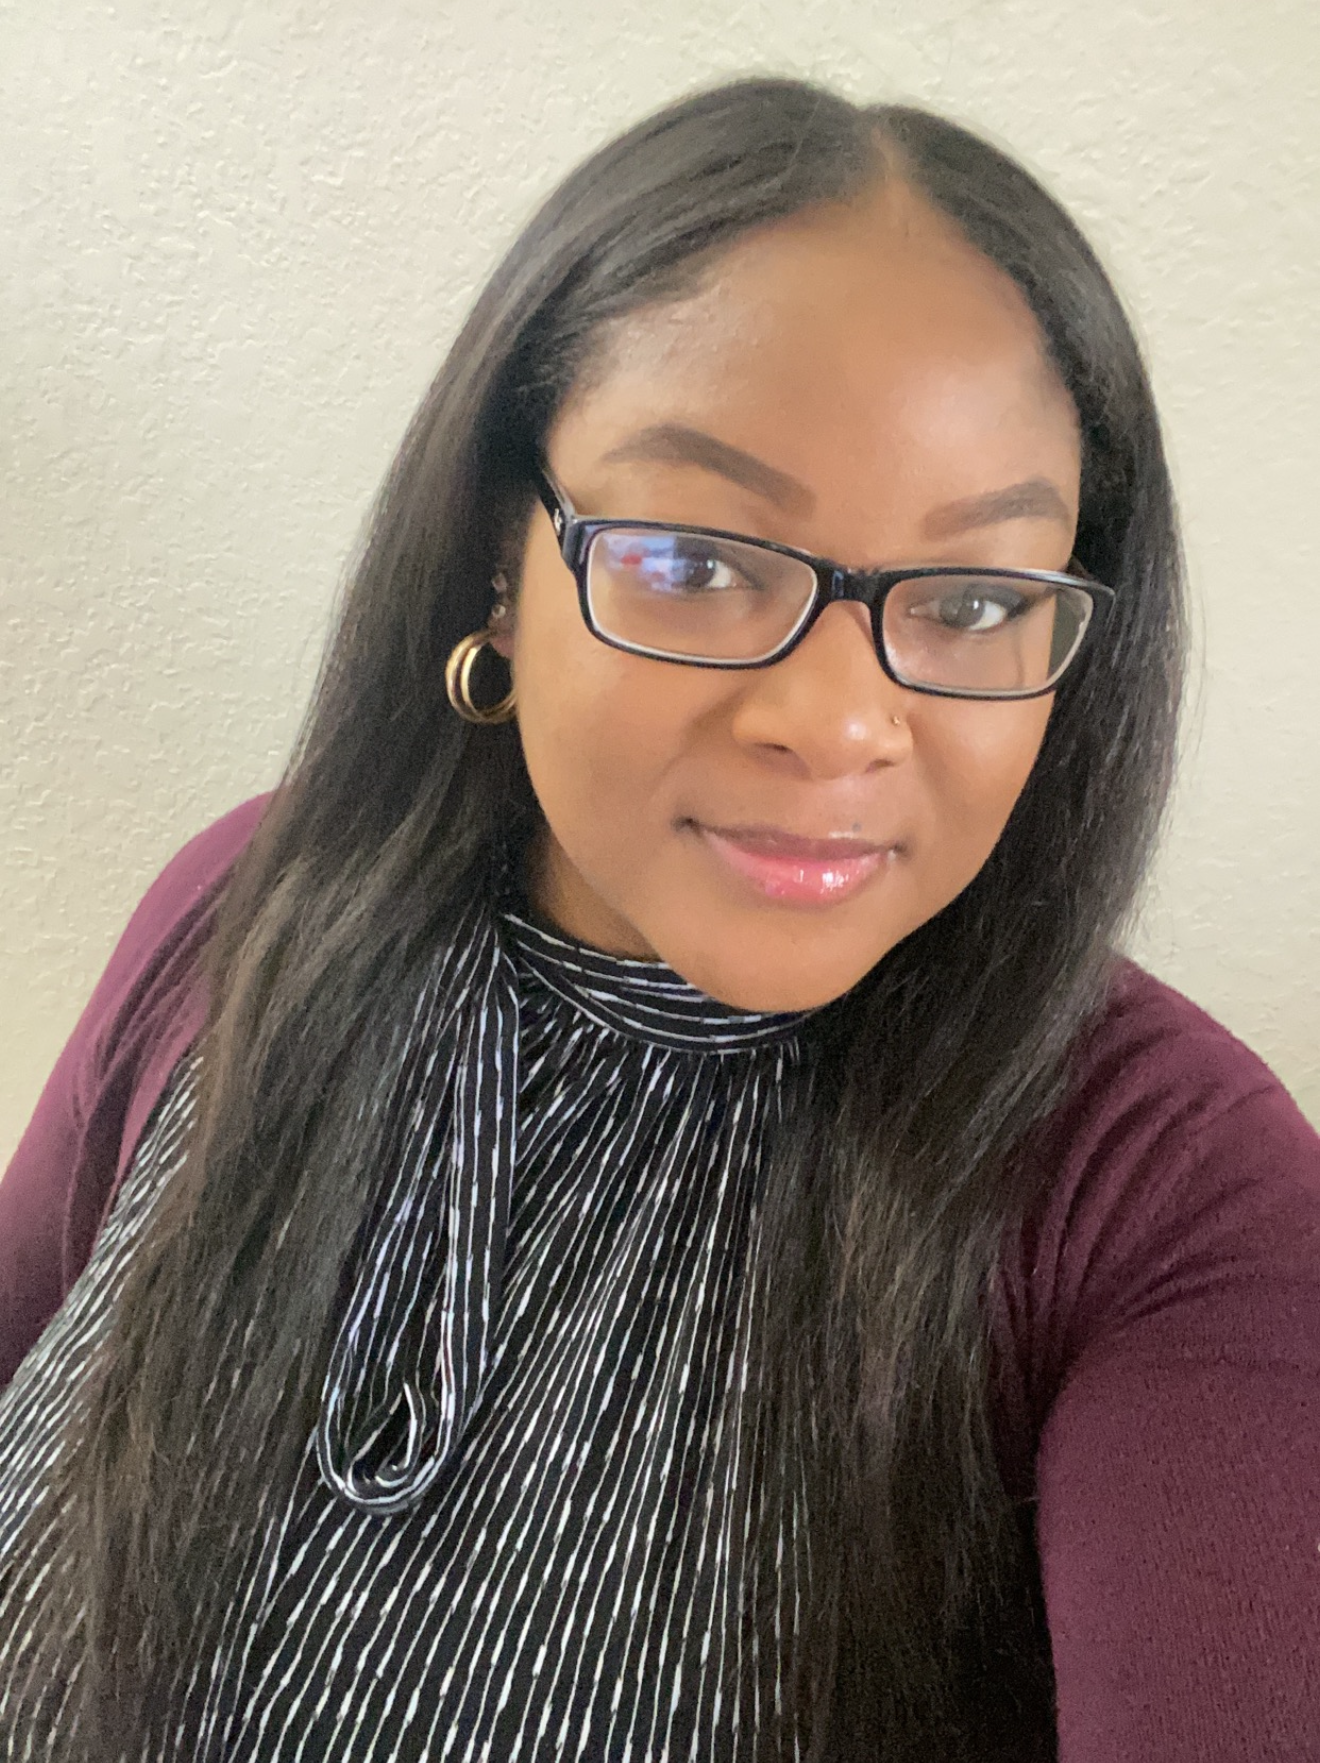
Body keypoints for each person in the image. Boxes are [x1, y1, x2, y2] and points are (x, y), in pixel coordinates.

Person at [0, 75, 1316, 1763]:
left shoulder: (1163, 1193)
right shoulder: (247, 910)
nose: (839, 724)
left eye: (978, 598)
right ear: (502, 558)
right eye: (696, 562)